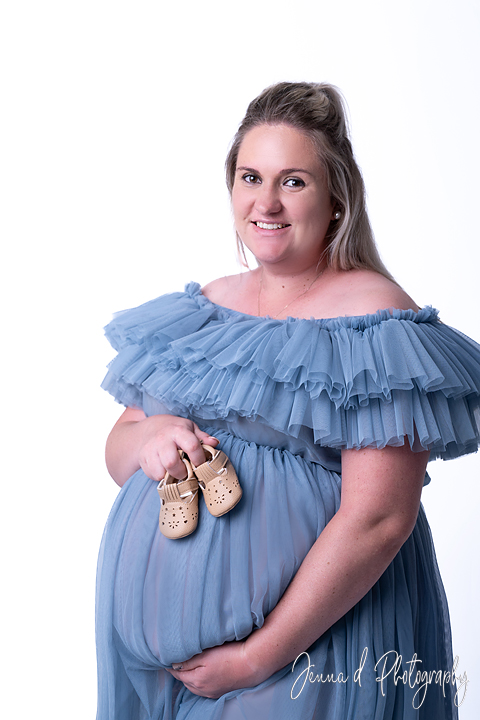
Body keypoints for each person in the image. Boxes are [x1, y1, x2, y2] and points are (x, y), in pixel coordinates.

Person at [96, 82, 480, 719]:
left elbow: (379, 521)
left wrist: (256, 657)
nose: (265, 202)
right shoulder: (203, 309)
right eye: (250, 177)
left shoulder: (376, 322)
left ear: (336, 198)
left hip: (308, 659)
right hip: (159, 672)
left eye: (293, 181)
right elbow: (117, 451)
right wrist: (150, 436)